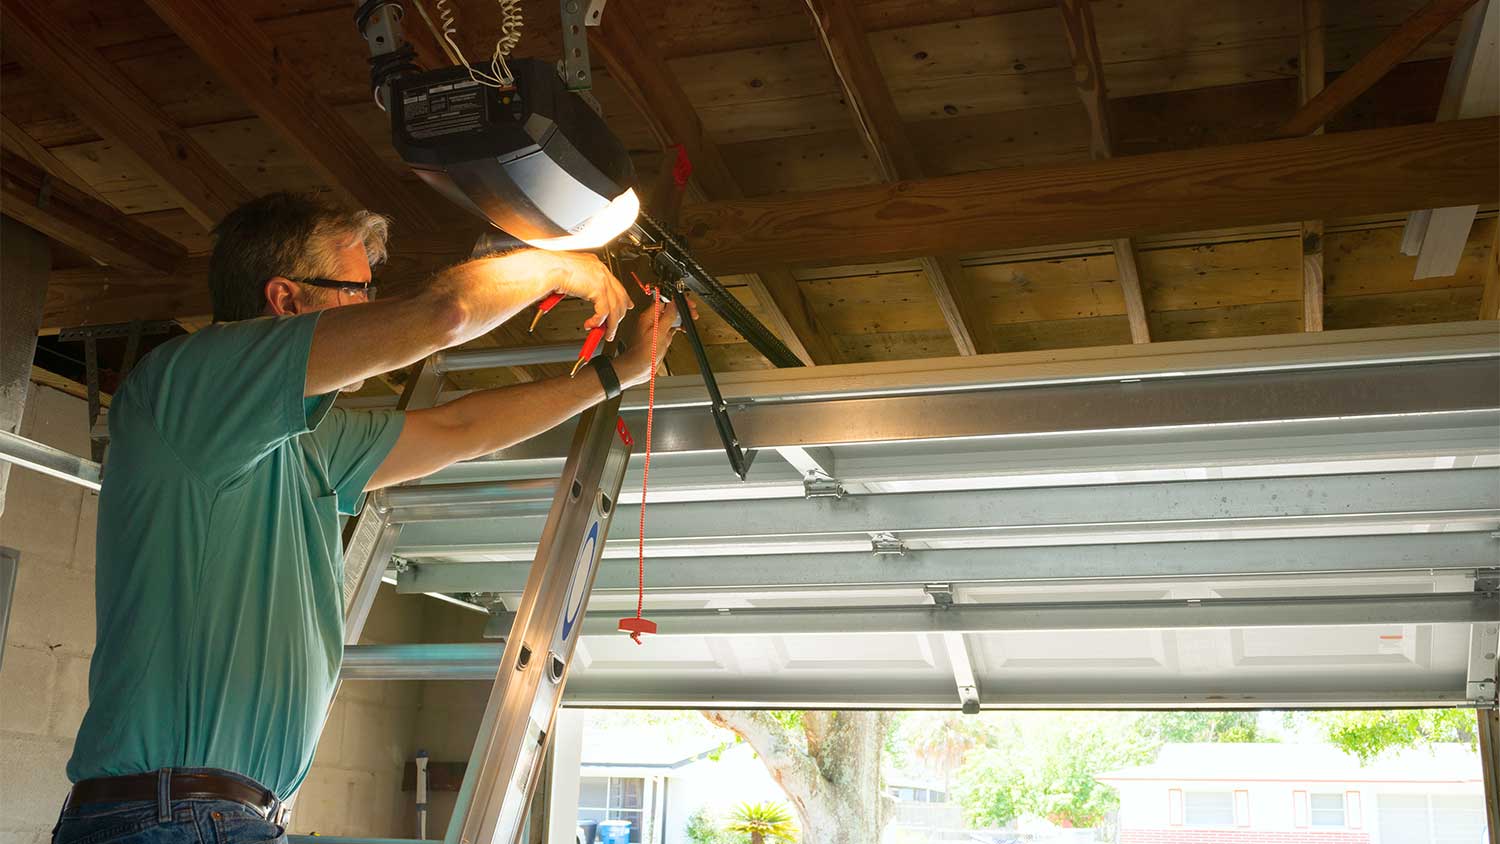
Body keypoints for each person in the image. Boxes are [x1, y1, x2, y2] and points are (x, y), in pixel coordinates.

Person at [52, 192, 683, 844]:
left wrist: (616, 375)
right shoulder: (190, 386)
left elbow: (460, 429)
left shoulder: (307, 442)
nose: (370, 307)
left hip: (205, 815)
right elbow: (443, 313)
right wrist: (559, 265)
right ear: (286, 299)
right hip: (175, 814)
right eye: (357, 290)